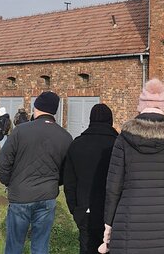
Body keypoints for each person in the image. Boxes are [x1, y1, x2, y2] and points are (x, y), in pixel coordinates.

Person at [99, 79, 164, 254]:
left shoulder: (124, 137)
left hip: (130, 215)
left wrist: (108, 224)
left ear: (141, 105)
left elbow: (113, 186)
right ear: (162, 106)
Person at [0, 91, 73, 254]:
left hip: (21, 194)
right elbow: (67, 170)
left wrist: (8, 182)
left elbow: (3, 160)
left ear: (36, 107)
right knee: (40, 245)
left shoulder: (20, 131)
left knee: (14, 245)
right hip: (47, 195)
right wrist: (54, 182)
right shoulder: (65, 136)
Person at [64, 103, 119, 254]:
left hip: (85, 209)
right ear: (110, 121)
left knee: (87, 248)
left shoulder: (77, 144)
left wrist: (74, 209)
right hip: (114, 212)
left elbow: (69, 182)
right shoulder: (118, 145)